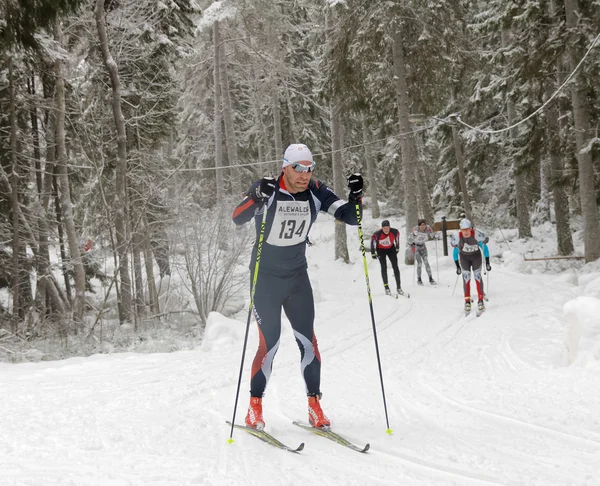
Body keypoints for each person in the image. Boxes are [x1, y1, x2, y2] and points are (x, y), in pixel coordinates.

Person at [232, 143, 363, 431]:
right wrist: (255, 197)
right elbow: (238, 217)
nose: (304, 174)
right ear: (285, 167)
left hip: (296, 277)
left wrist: (356, 197)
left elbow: (351, 217)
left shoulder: (316, 190)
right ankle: (254, 408)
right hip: (264, 279)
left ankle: (315, 406)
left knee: (308, 343)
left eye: (309, 168)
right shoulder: (267, 188)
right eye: (298, 168)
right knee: (270, 344)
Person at [450, 218, 491, 313]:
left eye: (467, 229)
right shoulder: (457, 236)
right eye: (463, 230)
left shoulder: (477, 234)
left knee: (477, 276)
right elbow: (455, 251)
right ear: (460, 230)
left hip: (476, 257)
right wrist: (457, 266)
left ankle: (480, 300)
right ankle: (467, 301)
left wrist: (488, 262)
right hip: (464, 258)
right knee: (466, 278)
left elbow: (485, 247)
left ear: (471, 228)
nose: (466, 232)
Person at [370, 220, 403, 296]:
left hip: (391, 249)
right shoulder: (377, 234)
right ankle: (386, 287)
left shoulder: (394, 232)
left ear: (389, 227)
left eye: (387, 228)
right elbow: (372, 241)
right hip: (381, 250)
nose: (386, 230)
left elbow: (397, 239)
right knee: (383, 268)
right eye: (384, 228)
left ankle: (399, 287)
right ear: (382, 228)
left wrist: (397, 247)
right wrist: (373, 253)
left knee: (395, 267)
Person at [408, 218, 436, 285]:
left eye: (424, 225)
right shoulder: (415, 229)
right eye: (421, 225)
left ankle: (431, 278)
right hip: (416, 247)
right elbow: (409, 239)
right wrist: (411, 243)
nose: (423, 226)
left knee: (426, 262)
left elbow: (432, 235)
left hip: (423, 246)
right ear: (419, 226)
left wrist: (434, 236)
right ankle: (419, 279)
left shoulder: (428, 228)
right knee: (419, 263)